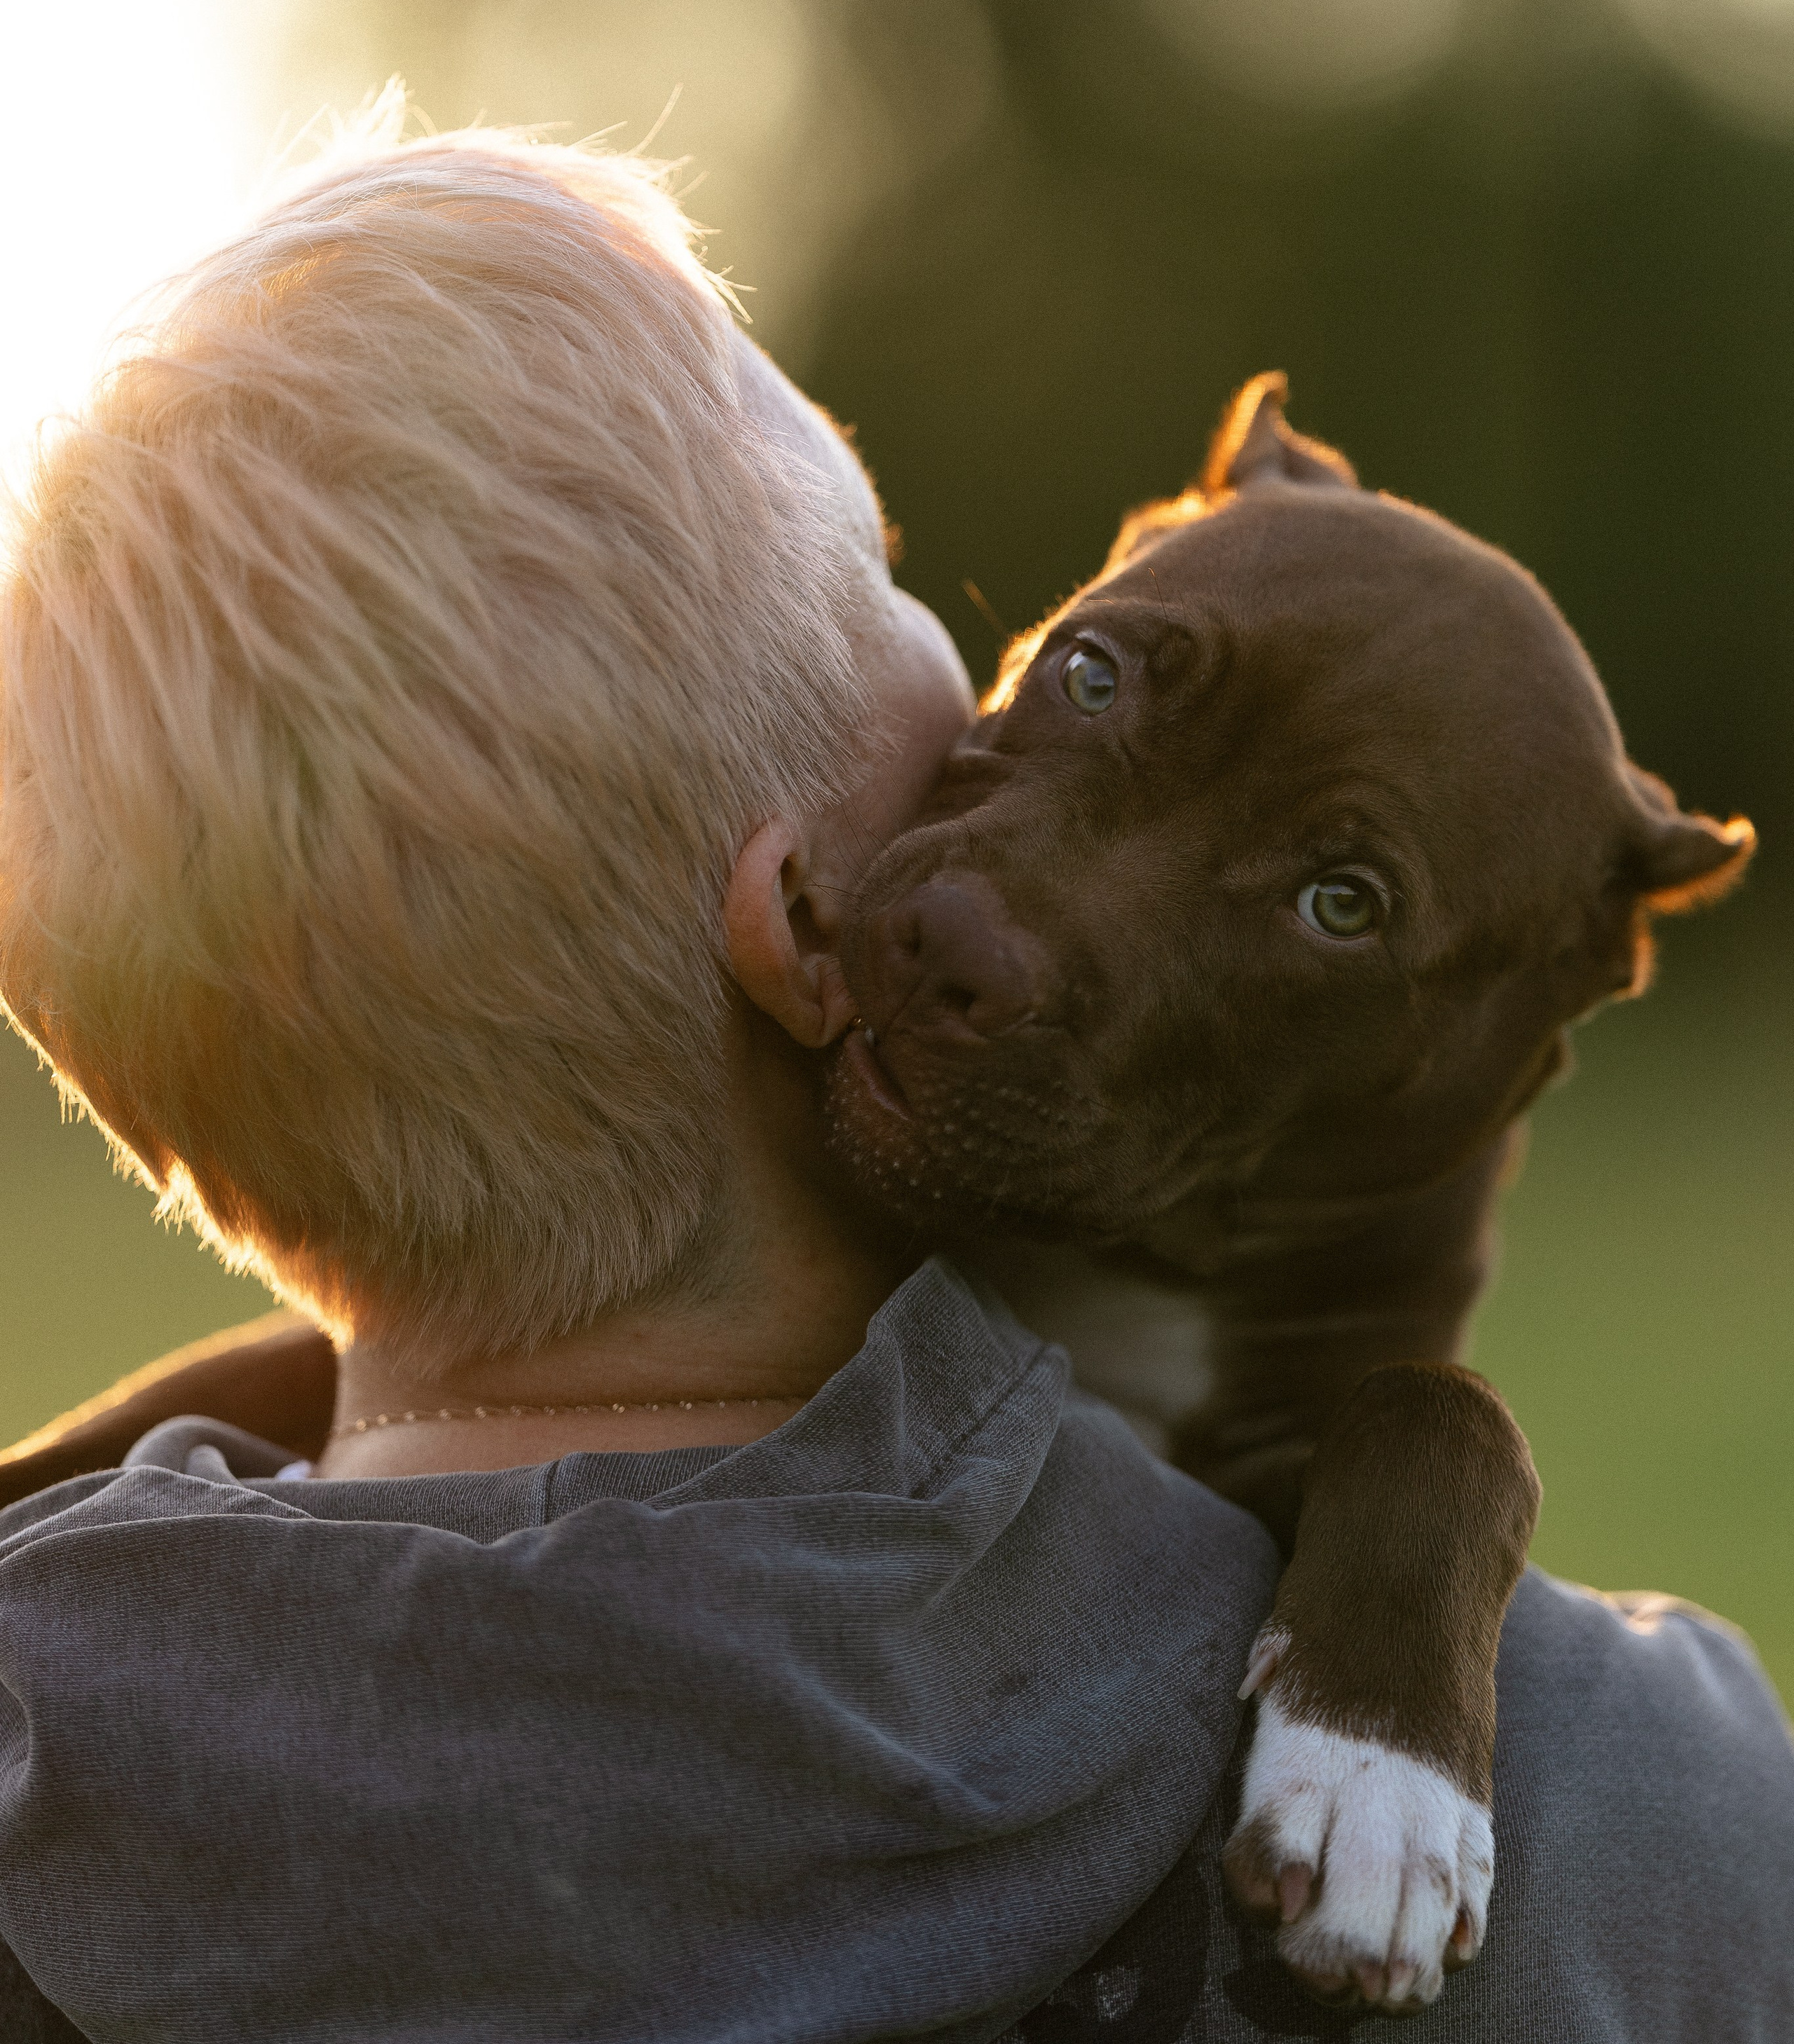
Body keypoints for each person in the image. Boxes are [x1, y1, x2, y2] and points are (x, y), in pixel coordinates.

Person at [0, 131, 1788, 2043]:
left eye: (1340, 898)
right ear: (792, 912)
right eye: (1089, 680)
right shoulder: (1657, 1808)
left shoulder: (65, 1706)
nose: (1032, 904)